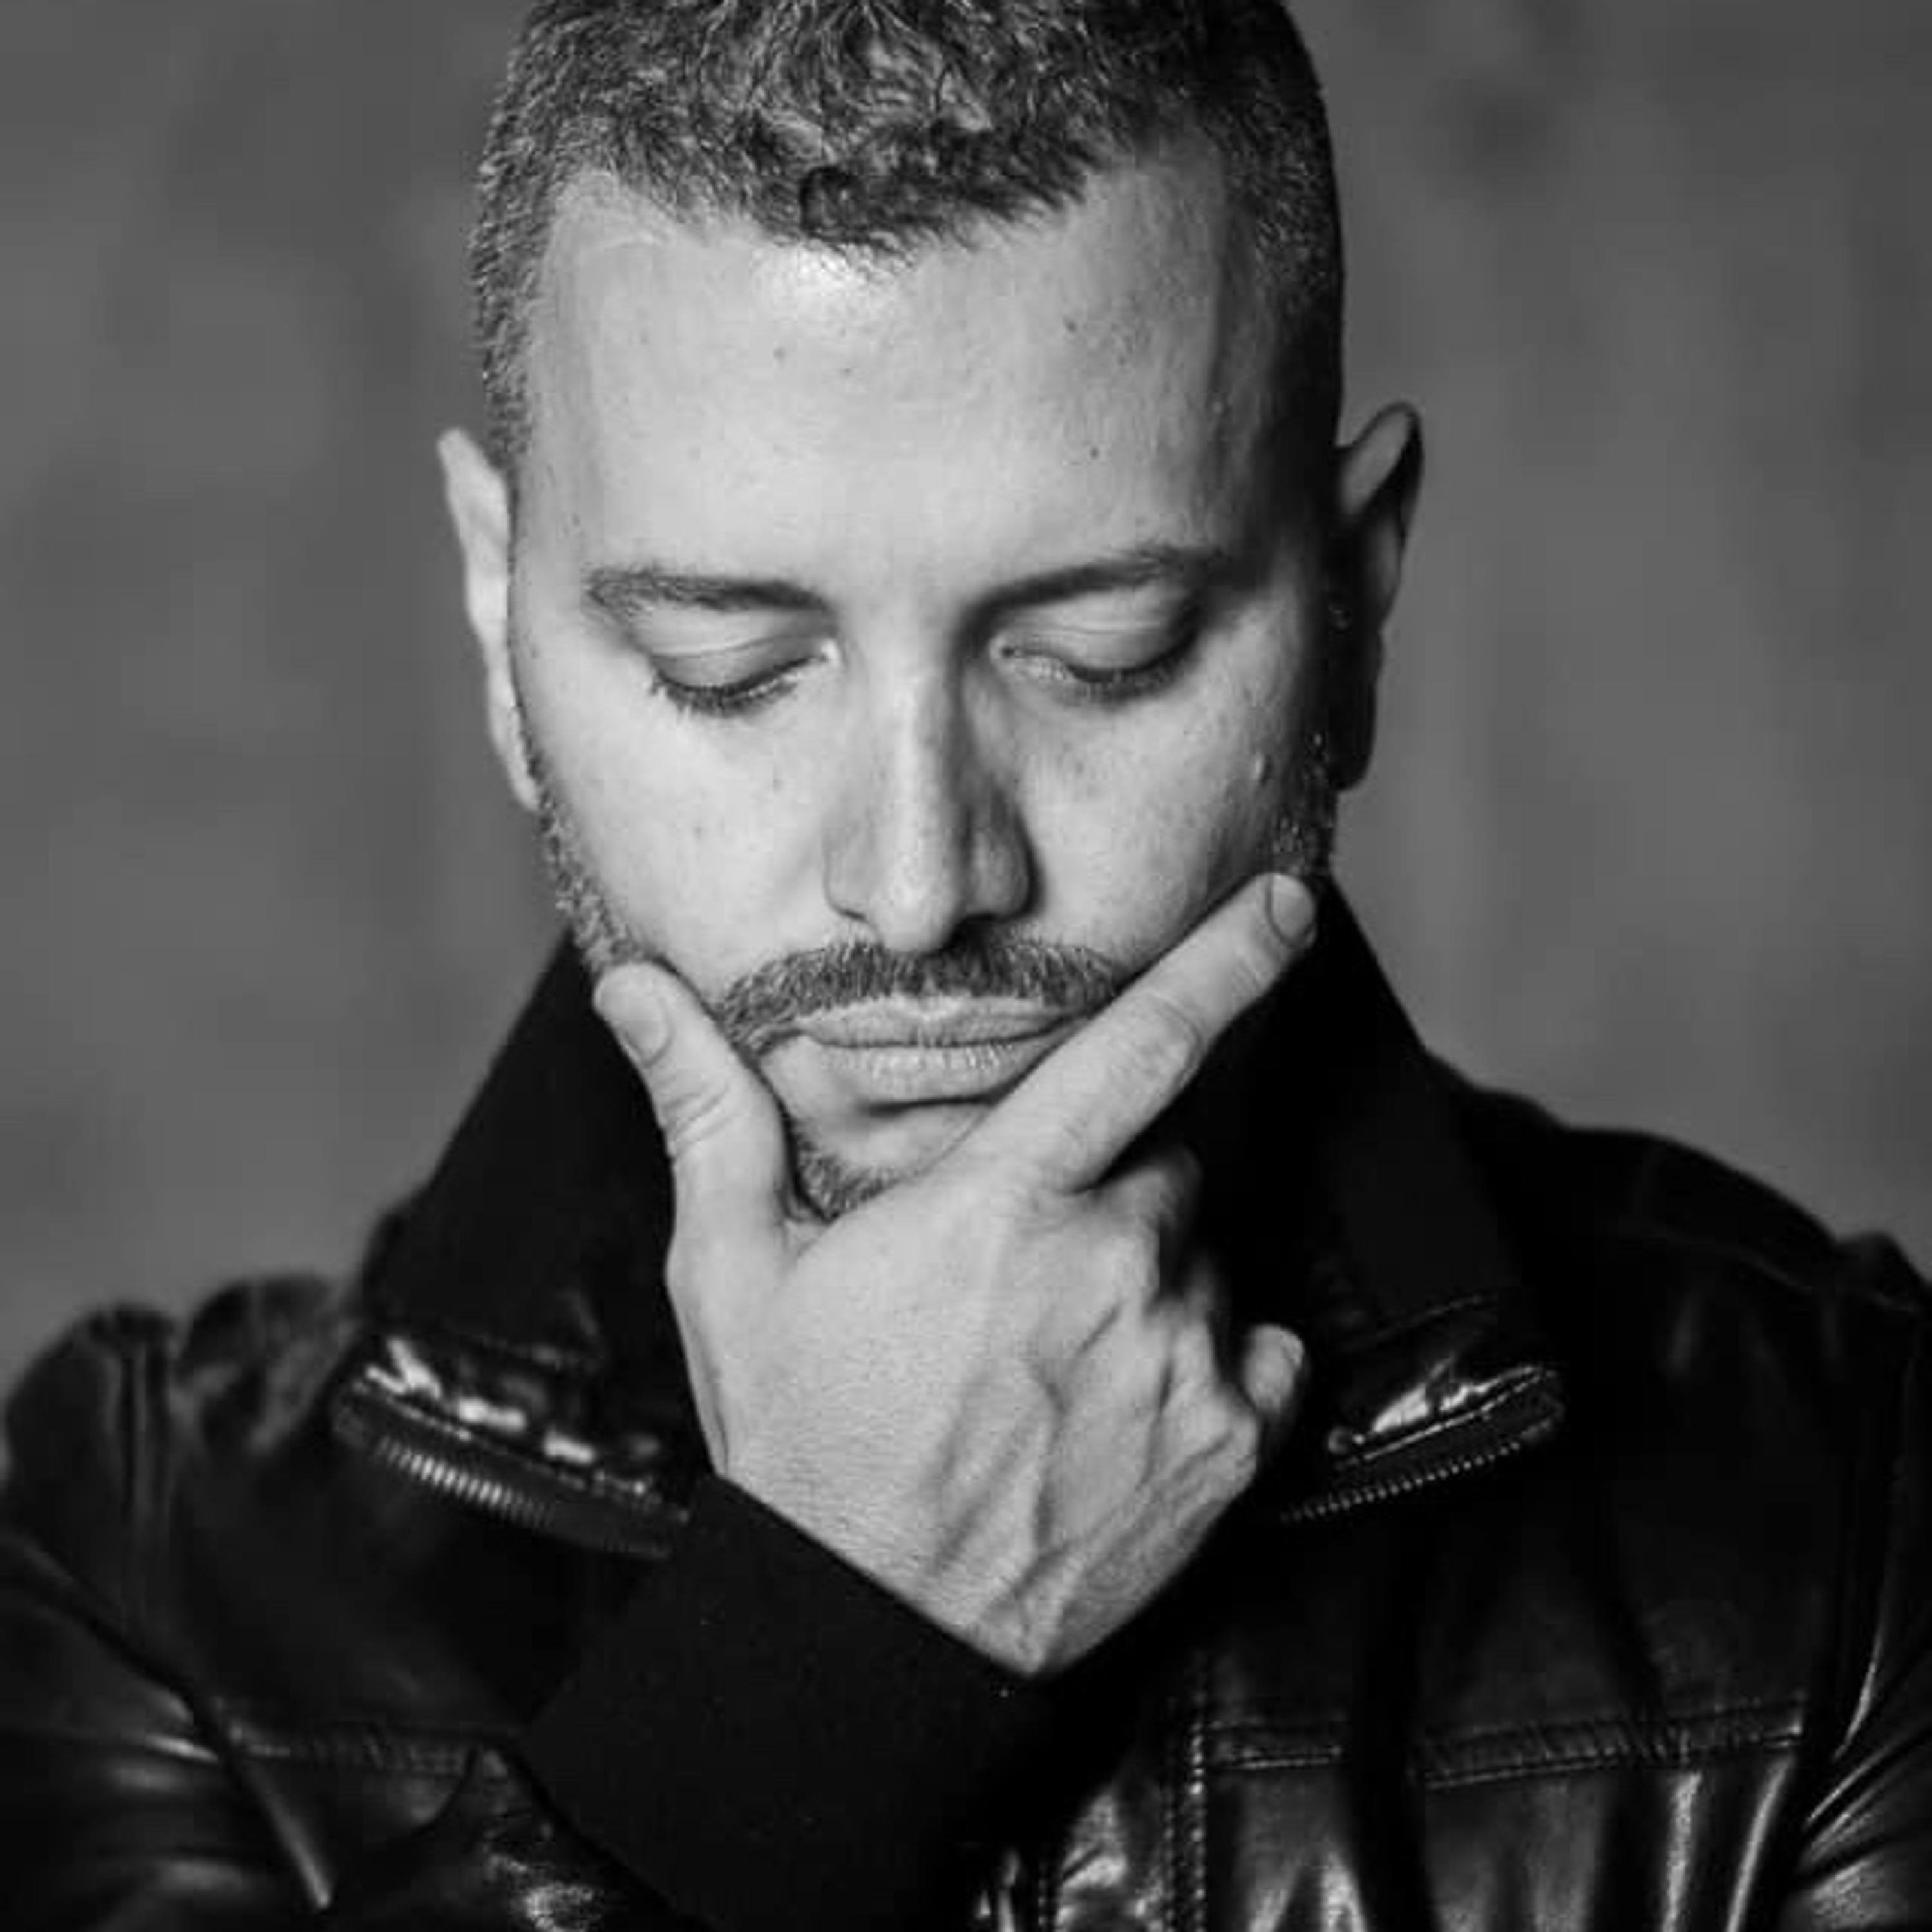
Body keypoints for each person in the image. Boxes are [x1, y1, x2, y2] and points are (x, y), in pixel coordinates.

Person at [4, 0, 1928, 1925]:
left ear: (1352, 607)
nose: (922, 887)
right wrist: (824, 1653)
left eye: (1099, 657)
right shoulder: (152, 1567)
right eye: (732, 672)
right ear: (505, 639)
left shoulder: (1852, 1500)